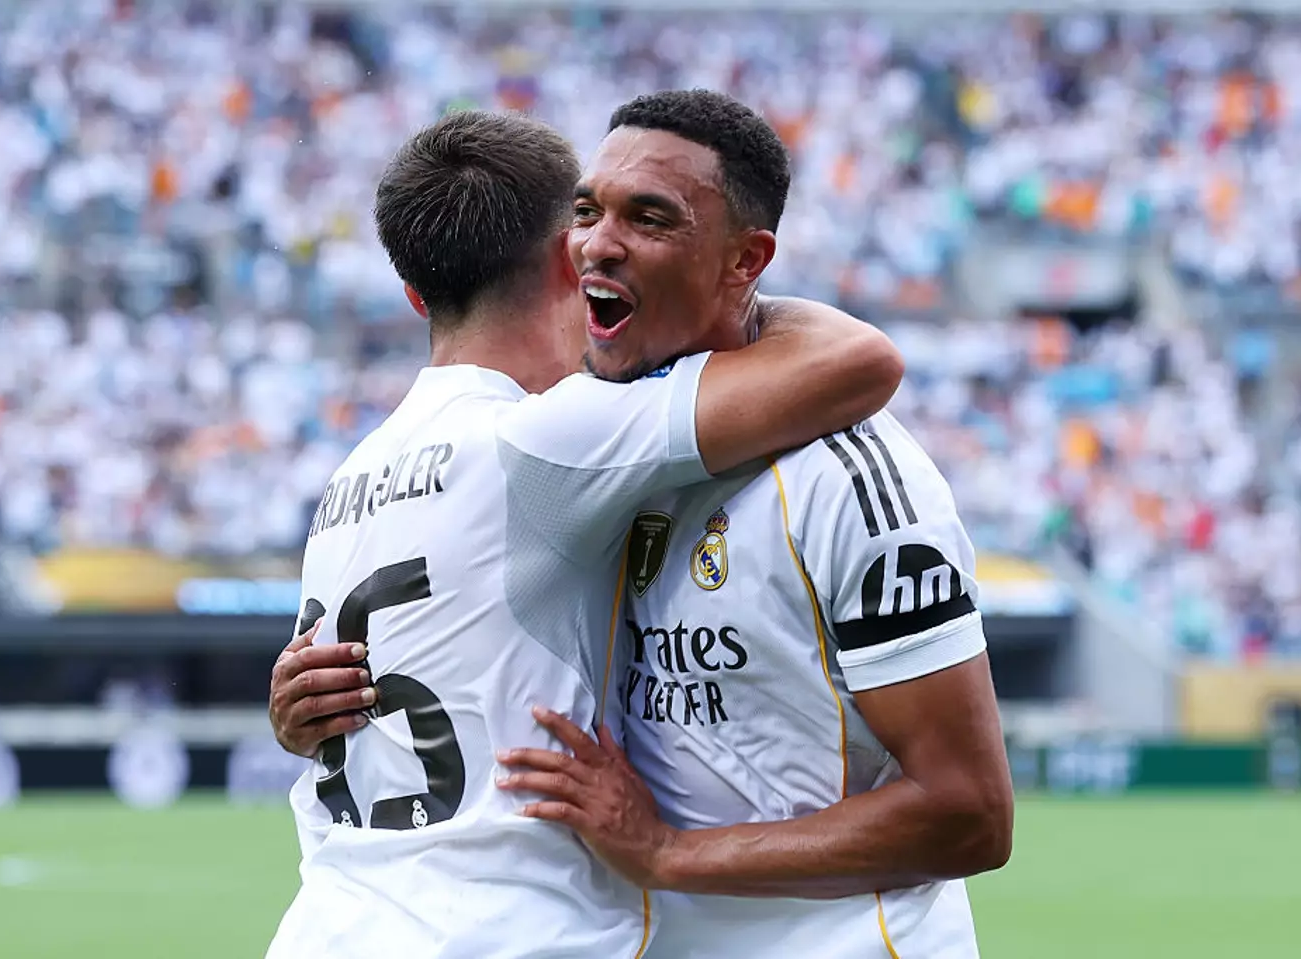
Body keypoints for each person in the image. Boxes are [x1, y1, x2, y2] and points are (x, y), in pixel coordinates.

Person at [263, 106, 903, 959]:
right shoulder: (551, 438)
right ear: (570, 259)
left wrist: (289, 719)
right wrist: (726, 280)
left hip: (331, 921)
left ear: (416, 294)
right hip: (497, 933)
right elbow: (860, 362)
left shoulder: (352, 479)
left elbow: (327, 706)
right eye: (588, 222)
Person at [495, 90, 1013, 959]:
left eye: (649, 217)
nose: (598, 242)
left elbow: (968, 811)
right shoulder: (598, 438)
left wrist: (667, 853)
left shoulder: (852, 479)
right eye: (587, 210)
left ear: (746, 260)